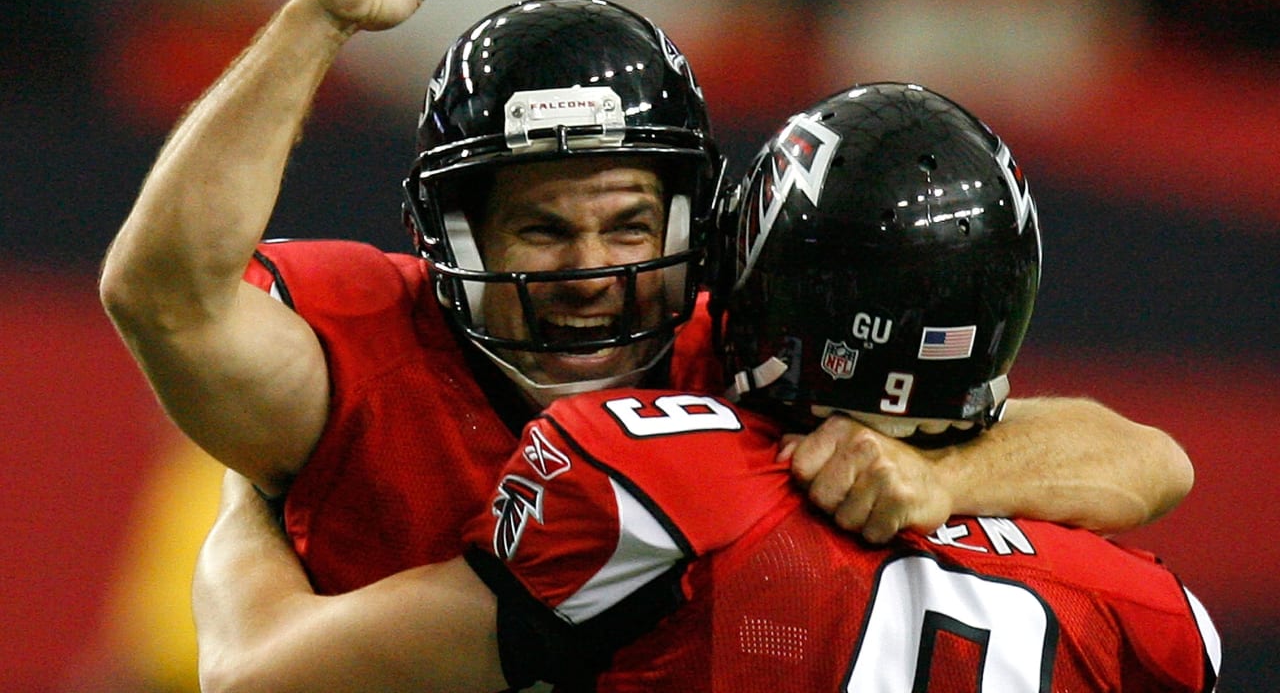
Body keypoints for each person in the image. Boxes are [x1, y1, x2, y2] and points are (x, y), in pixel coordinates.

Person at [99, 0, 1192, 601]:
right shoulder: (371, 353)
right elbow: (164, 297)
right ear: (456, 237)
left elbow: (1141, 459)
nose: (588, 269)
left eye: (625, 221)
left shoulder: (758, 352)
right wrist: (319, 18)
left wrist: (940, 477)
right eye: (539, 227)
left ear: (690, 222)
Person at [193, 83, 1219, 693]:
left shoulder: (655, 484)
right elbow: (1146, 460)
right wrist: (941, 478)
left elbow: (260, 674)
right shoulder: (1133, 601)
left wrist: (258, 499)